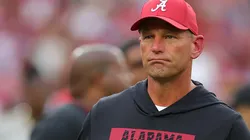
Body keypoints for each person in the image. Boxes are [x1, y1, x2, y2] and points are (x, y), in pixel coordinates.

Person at [77, 0, 250, 139]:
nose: (156, 47)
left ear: (196, 46)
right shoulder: (105, 112)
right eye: (148, 36)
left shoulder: (224, 124)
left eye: (169, 36)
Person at [30, 43, 132, 140]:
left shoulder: (109, 119)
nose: (129, 77)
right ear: (99, 78)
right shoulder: (60, 124)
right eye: (121, 71)